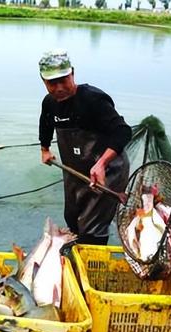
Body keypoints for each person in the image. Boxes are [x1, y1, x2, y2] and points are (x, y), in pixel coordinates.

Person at [38, 49, 131, 245]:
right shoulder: (49, 103)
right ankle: (78, 250)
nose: (60, 87)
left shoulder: (93, 100)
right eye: (52, 83)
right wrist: (45, 149)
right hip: (75, 169)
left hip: (107, 170)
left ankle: (91, 261)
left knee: (92, 228)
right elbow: (45, 123)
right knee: (72, 218)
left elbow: (123, 132)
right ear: (43, 81)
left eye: (64, 79)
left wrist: (101, 163)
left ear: (72, 73)